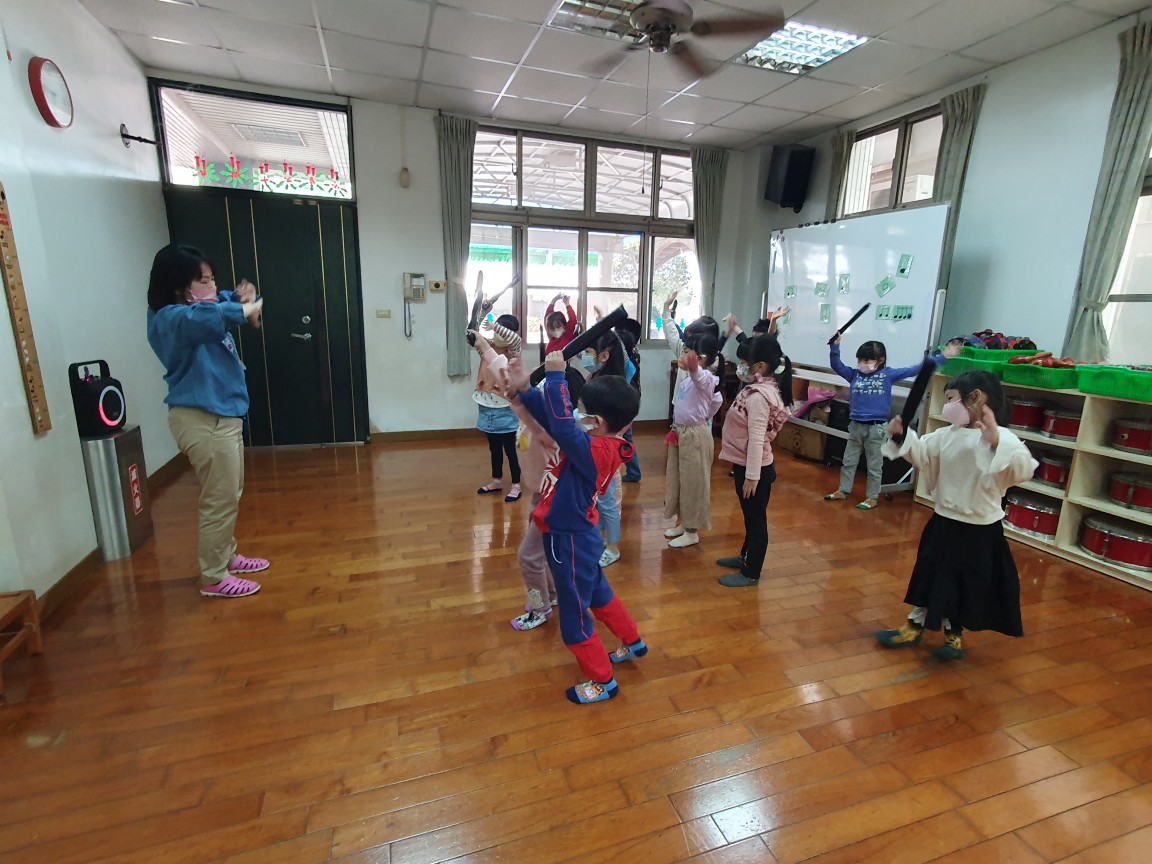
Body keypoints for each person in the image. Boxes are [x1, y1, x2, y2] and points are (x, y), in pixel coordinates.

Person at [506, 351, 646, 704]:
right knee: (599, 595)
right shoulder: (594, 441)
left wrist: (556, 378)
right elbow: (558, 423)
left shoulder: (594, 449)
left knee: (574, 617)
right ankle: (633, 642)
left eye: (580, 411)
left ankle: (602, 681)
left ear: (594, 421)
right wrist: (526, 391)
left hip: (567, 542)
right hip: (580, 539)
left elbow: (563, 425)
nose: (574, 416)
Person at [877, 371, 1035, 660]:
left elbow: (1021, 470)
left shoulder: (1004, 439)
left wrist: (995, 442)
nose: (947, 406)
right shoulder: (945, 435)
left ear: (975, 397)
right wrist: (902, 436)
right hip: (944, 521)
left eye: (951, 399)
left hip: (979, 529)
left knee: (964, 582)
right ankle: (914, 625)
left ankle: (954, 634)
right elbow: (922, 454)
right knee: (930, 574)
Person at [146, 244, 267, 598]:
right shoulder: (171, 319)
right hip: (203, 420)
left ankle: (226, 556)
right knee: (220, 499)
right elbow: (212, 316)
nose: (213, 286)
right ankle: (214, 577)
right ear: (179, 287)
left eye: (213, 278)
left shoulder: (199, 307)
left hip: (223, 417)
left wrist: (244, 297)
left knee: (229, 494)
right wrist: (245, 308)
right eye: (203, 280)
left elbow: (226, 303)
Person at [825, 337, 959, 510]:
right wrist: (835, 346)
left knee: (874, 465)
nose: (862, 364)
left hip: (877, 428)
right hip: (856, 426)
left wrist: (943, 357)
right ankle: (843, 490)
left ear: (880, 360)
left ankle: (872, 497)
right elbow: (836, 365)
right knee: (848, 461)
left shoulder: (887, 375)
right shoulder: (854, 375)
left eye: (867, 360)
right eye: (860, 360)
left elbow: (916, 369)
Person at [507, 368, 587, 631]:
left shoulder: (555, 433)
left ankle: (539, 609)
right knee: (540, 554)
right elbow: (527, 416)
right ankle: (550, 596)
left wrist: (486, 350)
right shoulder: (546, 426)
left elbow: (533, 421)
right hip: (542, 495)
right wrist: (515, 395)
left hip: (552, 503)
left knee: (528, 557)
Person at [716, 335, 794, 587]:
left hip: (756, 469)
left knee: (756, 521)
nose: (741, 367)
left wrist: (752, 477)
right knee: (750, 518)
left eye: (744, 363)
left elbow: (757, 439)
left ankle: (751, 573)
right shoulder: (759, 388)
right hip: (748, 465)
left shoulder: (760, 396)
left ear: (760, 366)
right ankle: (745, 557)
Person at [663, 332, 723, 548]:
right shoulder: (688, 380)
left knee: (694, 483)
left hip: (694, 436)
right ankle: (684, 522)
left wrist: (694, 368)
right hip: (681, 433)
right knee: (679, 480)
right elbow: (714, 401)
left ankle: (692, 531)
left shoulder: (705, 377)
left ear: (701, 358)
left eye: (688, 351)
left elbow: (703, 381)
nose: (683, 353)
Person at [582, 331, 631, 567]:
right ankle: (601, 538)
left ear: (603, 355)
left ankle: (613, 546)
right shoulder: (593, 376)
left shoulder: (615, 384)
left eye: (587, 351)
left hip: (605, 450)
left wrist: (611, 437)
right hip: (593, 447)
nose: (584, 356)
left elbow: (625, 417)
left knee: (608, 500)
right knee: (597, 498)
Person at [471, 315, 523, 503]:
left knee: (510, 450)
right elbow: (473, 334)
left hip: (505, 409)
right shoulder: (488, 348)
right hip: (487, 408)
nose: (498, 334)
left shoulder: (513, 351)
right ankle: (497, 481)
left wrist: (495, 326)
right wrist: (484, 313)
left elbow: (513, 338)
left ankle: (516, 485)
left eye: (503, 330)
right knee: (494, 449)